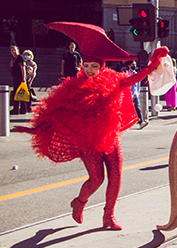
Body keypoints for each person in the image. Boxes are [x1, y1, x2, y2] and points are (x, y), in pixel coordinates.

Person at [15, 22, 167, 230]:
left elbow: (135, 78)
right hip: (87, 142)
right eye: (86, 66)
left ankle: (109, 216)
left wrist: (153, 63)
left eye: (94, 67)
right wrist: (33, 128)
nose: (90, 71)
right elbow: (54, 112)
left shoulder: (114, 81)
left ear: (102, 67)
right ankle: (79, 202)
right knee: (96, 179)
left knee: (115, 176)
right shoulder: (72, 88)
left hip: (111, 138)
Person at [126, 61, 147, 129]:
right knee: (127, 109)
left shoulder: (136, 74)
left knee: (137, 108)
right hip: (128, 95)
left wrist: (137, 93)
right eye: (132, 65)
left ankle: (141, 122)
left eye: (134, 65)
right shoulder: (126, 74)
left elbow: (138, 85)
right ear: (129, 66)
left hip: (134, 94)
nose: (134, 66)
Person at [9, 45, 25, 115]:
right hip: (15, 78)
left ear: (17, 50)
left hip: (20, 78)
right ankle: (18, 108)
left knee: (20, 93)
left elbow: (22, 68)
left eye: (14, 50)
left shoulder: (20, 58)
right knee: (17, 93)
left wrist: (23, 78)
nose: (13, 52)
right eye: (12, 50)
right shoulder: (13, 58)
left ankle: (20, 109)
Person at [21, 49, 37, 114]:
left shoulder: (33, 64)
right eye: (25, 55)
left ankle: (29, 107)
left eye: (28, 55)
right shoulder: (23, 62)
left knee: (29, 94)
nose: (27, 56)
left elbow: (33, 73)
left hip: (29, 79)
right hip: (23, 79)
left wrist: (30, 81)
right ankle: (24, 107)